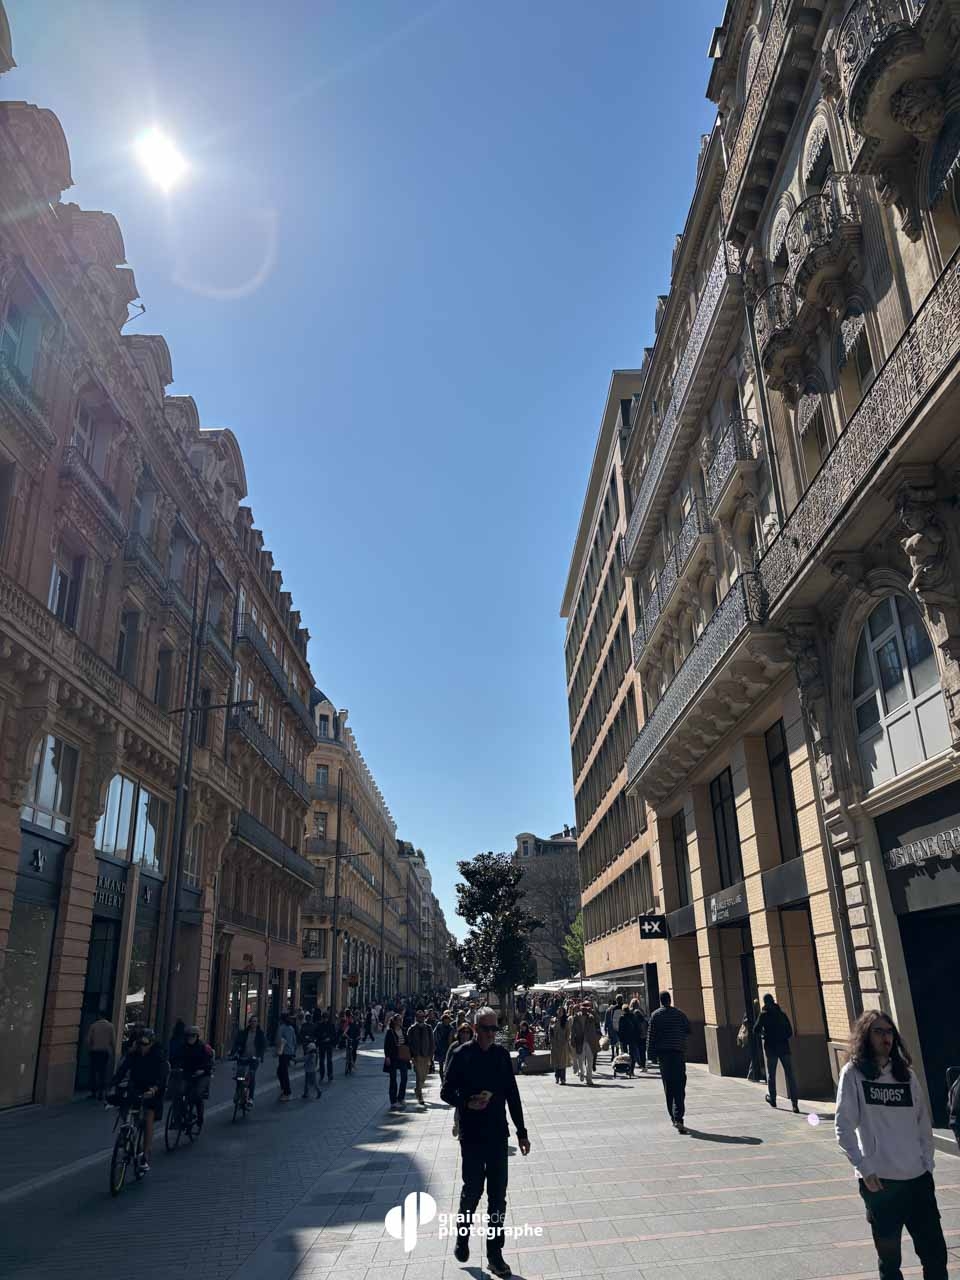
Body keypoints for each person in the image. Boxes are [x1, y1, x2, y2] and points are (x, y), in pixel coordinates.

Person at [836, 1010, 947, 1280]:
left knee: (934, 1255)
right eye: (878, 1031)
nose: (885, 1038)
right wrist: (864, 1168)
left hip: (917, 1180)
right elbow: (843, 1127)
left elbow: (923, 1123)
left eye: (889, 1032)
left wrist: (927, 1163)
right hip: (880, 1183)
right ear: (865, 1036)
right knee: (890, 1261)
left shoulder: (906, 1075)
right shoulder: (854, 1074)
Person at [441, 1006, 531, 1279]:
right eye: (487, 1028)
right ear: (475, 1029)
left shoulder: (501, 1055)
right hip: (471, 1134)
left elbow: (512, 1094)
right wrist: (466, 1102)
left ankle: (495, 1254)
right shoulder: (461, 1054)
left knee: (498, 1197)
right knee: (472, 1190)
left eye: (495, 1028)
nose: (492, 1033)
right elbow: (446, 1092)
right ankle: (463, 1234)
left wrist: (522, 1132)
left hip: (497, 1134)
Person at [111, 1027, 167, 1171]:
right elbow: (122, 1070)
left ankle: (145, 1156)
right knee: (124, 1108)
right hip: (135, 1087)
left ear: (152, 1043)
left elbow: (162, 1076)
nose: (142, 1047)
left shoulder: (158, 1055)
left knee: (148, 1117)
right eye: (140, 1044)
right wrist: (113, 1084)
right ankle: (127, 1135)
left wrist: (154, 1089)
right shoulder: (133, 1054)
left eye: (145, 1044)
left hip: (152, 1090)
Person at [647, 991, 690, 1133]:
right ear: (670, 1000)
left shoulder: (655, 1015)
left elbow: (651, 1036)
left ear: (660, 1001)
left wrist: (650, 1055)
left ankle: (673, 1117)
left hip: (663, 1055)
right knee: (680, 1085)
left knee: (669, 1086)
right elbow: (688, 1029)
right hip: (678, 1053)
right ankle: (679, 1117)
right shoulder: (680, 1014)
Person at [754, 993, 800, 1113]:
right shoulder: (781, 1014)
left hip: (771, 1048)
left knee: (771, 1075)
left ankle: (773, 1099)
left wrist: (764, 1034)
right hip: (784, 1048)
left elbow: (755, 1029)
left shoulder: (764, 1015)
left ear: (765, 1002)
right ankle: (795, 1104)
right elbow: (789, 1031)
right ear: (773, 1001)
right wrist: (782, 1037)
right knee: (790, 1075)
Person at [231, 1015, 266, 1102]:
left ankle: (250, 1098)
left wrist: (260, 1056)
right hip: (243, 1057)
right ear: (249, 1023)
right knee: (239, 1076)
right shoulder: (244, 1033)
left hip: (254, 1059)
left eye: (255, 1021)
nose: (253, 1023)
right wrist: (234, 1053)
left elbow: (263, 1046)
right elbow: (237, 1043)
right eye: (252, 1021)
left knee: (251, 1076)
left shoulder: (260, 1034)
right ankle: (238, 1091)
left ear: (257, 1023)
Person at [408, 1007, 435, 1105]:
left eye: (423, 1016)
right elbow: (409, 1043)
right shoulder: (412, 1029)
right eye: (419, 1017)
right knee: (419, 1076)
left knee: (424, 1076)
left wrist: (431, 1055)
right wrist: (411, 1056)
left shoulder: (428, 1028)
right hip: (417, 1056)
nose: (421, 1018)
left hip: (426, 1055)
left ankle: (417, 1089)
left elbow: (432, 1042)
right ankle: (420, 1096)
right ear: (416, 1017)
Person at [86, 1011, 115, 1101]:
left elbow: (88, 1040)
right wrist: (113, 1051)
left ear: (99, 1016)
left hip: (95, 1051)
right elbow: (112, 1041)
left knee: (93, 1072)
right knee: (103, 1072)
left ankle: (93, 1092)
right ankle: (101, 1092)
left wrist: (89, 1049)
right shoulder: (110, 1026)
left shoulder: (94, 1025)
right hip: (105, 1052)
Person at [383, 1013, 410, 1111]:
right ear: (394, 1021)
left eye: (401, 1020)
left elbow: (407, 1042)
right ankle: (393, 1102)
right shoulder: (390, 1032)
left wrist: (409, 1054)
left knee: (404, 1077)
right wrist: (387, 1057)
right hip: (393, 1057)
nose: (400, 1021)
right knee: (393, 1079)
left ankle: (401, 1097)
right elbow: (386, 1045)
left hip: (403, 1056)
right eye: (398, 1020)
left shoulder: (404, 1030)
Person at [276, 1012, 297, 1101]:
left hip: (283, 1052)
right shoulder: (291, 1028)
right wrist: (294, 1051)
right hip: (289, 1052)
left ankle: (287, 1092)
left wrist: (276, 1051)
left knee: (283, 1072)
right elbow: (295, 1041)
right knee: (281, 1071)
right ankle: (284, 1088)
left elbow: (278, 1040)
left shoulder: (281, 1028)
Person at [549, 1009, 572, 1085]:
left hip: (563, 1044)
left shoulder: (566, 1021)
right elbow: (550, 1031)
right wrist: (551, 1041)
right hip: (555, 1044)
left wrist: (565, 1041)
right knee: (556, 1062)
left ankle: (563, 1079)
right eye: (558, 1011)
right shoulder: (553, 1020)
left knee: (562, 1063)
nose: (559, 1012)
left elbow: (568, 1032)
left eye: (561, 1011)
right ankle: (557, 1077)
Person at [316, 1009, 335, 1083]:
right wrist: (322, 1038)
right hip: (322, 1044)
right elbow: (317, 1034)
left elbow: (333, 1034)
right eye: (324, 1018)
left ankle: (330, 1074)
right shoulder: (320, 1025)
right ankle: (322, 1074)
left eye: (326, 1018)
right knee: (321, 1060)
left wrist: (329, 1038)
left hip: (328, 1044)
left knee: (329, 1060)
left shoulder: (331, 1025)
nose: (325, 1019)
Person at [435, 1010, 454, 1081]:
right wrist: (436, 1045)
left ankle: (446, 1079)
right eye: (445, 1020)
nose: (446, 1021)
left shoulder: (451, 1028)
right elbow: (435, 1036)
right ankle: (442, 1080)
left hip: (448, 1048)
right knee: (441, 1066)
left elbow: (452, 1038)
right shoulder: (439, 1026)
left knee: (448, 1065)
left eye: (447, 1020)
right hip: (440, 1048)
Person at [604, 996, 624, 1062]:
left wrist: (605, 1028)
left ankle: (613, 1055)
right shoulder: (623, 1007)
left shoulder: (610, 1010)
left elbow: (607, 1020)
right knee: (618, 1041)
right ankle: (617, 1054)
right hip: (619, 1027)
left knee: (613, 1042)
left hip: (612, 1028)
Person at [346, 1008, 361, 1073]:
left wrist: (359, 1036)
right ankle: (349, 1063)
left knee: (354, 1051)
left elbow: (360, 1031)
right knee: (350, 1050)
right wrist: (347, 1036)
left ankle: (353, 1063)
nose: (356, 1017)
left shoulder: (359, 1023)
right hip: (351, 1038)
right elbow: (346, 1031)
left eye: (357, 1016)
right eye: (355, 1016)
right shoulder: (350, 1023)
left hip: (356, 1039)